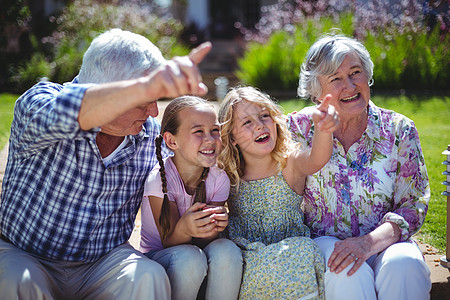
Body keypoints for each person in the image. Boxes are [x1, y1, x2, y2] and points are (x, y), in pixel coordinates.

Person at [0, 28, 212, 299]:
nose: (154, 111)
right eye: (144, 101)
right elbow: (68, 112)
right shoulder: (37, 103)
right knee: (15, 280)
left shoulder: (149, 135)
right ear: (108, 94)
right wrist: (143, 86)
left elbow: (195, 159)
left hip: (102, 263)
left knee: (148, 277)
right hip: (27, 255)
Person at [287, 34, 431, 300]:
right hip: (326, 242)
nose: (350, 85)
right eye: (336, 79)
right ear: (316, 91)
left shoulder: (399, 129)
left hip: (385, 240)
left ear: (368, 76)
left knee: (405, 266)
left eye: (356, 73)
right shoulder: (298, 128)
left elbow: (413, 205)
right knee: (346, 270)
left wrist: (369, 243)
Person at [217, 86, 340, 299]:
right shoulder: (229, 172)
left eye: (265, 116)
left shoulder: (288, 162)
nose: (259, 126)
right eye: (247, 122)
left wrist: (323, 129)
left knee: (300, 252)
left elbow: (316, 159)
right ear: (232, 138)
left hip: (290, 251)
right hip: (248, 253)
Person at [139, 96, 243, 300]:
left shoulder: (218, 178)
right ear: (171, 141)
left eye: (215, 130)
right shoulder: (159, 180)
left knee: (227, 249)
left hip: (197, 255)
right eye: (198, 132)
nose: (211, 139)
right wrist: (186, 228)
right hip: (160, 259)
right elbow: (169, 241)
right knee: (190, 257)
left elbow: (207, 242)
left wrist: (213, 226)